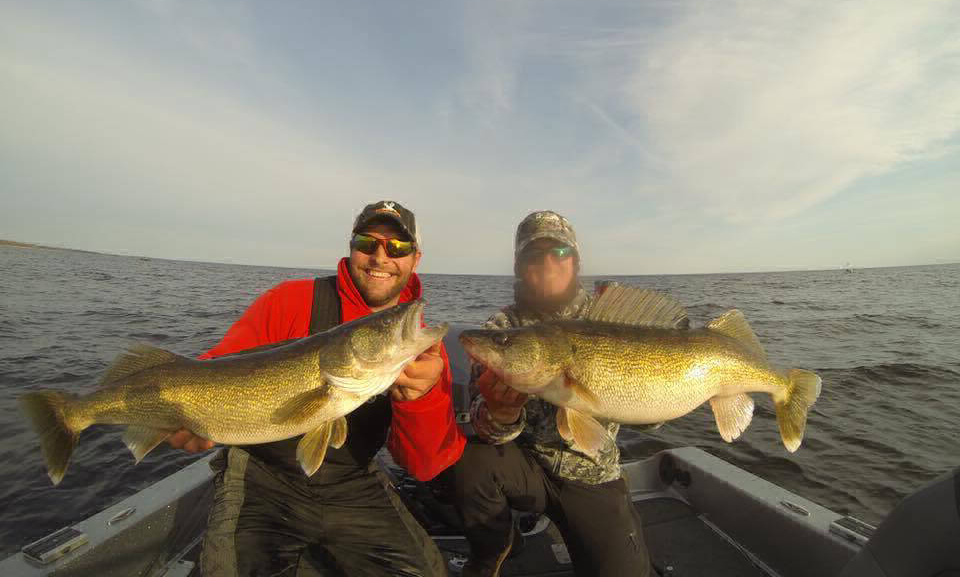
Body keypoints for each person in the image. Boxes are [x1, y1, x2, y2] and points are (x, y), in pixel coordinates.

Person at [168, 200, 465, 577]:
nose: (380, 257)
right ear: (351, 247)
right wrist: (182, 411)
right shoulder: (289, 299)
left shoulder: (421, 350)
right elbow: (216, 367)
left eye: (397, 247)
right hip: (263, 477)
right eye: (366, 243)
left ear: (415, 259)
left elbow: (423, 466)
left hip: (353, 482)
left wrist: (418, 399)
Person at [451, 210, 652, 577]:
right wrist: (501, 413)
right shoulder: (501, 330)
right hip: (525, 467)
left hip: (592, 474)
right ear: (519, 266)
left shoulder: (608, 319)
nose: (547, 263)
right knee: (468, 462)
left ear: (575, 261)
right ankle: (496, 545)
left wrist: (667, 399)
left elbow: (653, 420)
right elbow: (485, 426)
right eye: (533, 255)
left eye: (558, 253)